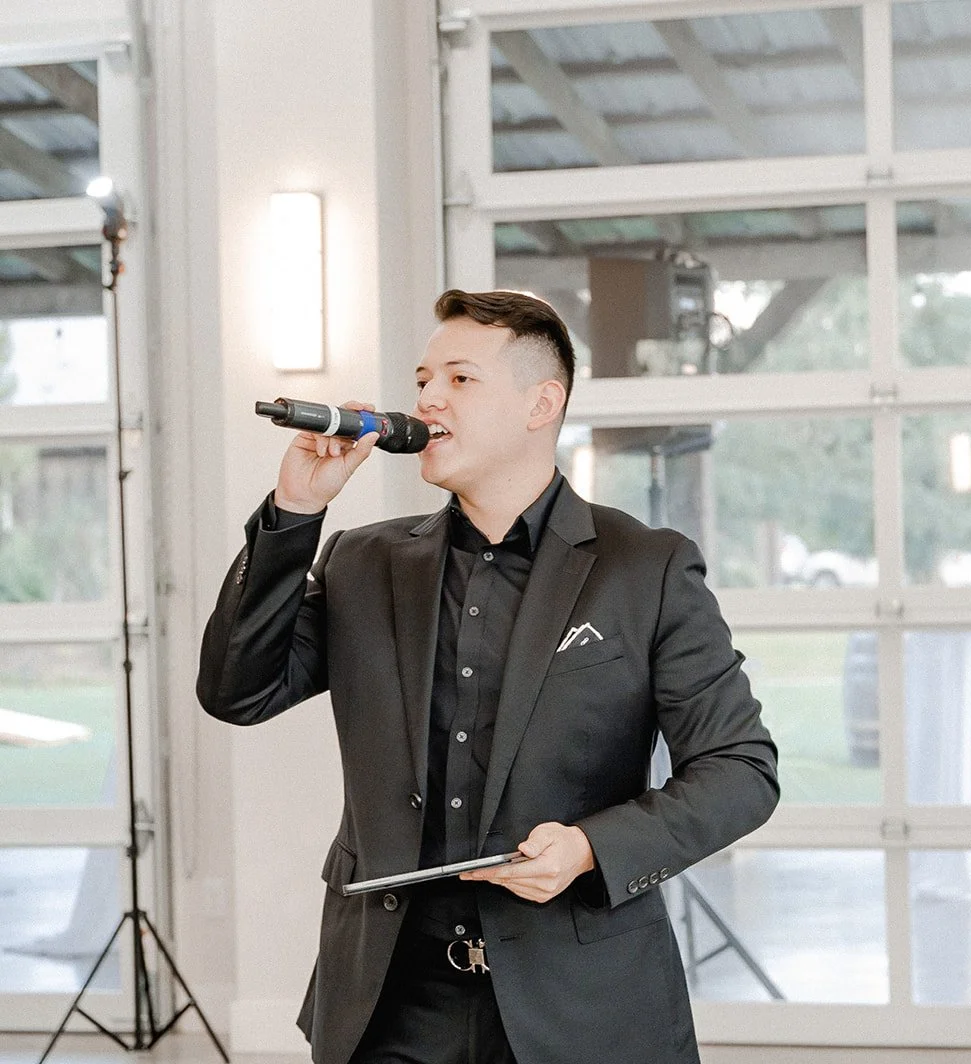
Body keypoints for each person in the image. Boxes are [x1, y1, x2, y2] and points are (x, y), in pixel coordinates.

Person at [196, 289, 779, 1064]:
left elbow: (741, 771)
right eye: (422, 381)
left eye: (460, 380)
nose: (429, 398)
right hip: (388, 1007)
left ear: (543, 404)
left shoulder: (646, 567)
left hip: (580, 1009)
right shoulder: (362, 562)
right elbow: (236, 691)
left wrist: (588, 849)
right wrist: (295, 514)